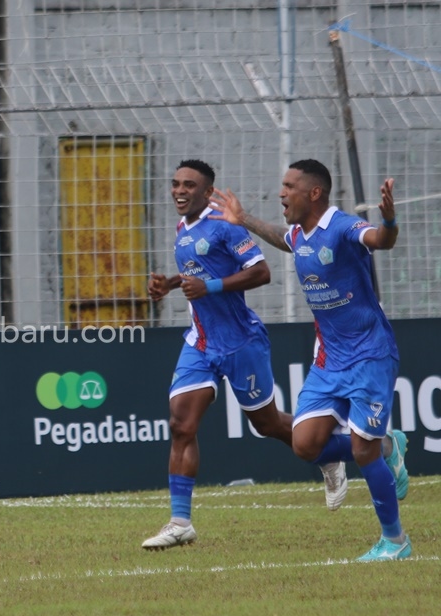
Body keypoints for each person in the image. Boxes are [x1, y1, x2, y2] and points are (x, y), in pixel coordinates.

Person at [141, 160, 346, 551]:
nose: (179, 191)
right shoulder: (182, 228)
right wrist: (170, 284)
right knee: (181, 424)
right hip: (201, 343)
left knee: (267, 424)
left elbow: (261, 271)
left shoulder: (225, 226)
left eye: (189, 185)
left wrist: (211, 286)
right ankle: (180, 522)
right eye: (175, 183)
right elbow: (196, 274)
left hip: (241, 343)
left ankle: (328, 454)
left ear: (207, 192)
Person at [210, 159, 410, 561]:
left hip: (370, 354)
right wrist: (243, 217)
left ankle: (395, 540)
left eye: (288, 186)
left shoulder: (341, 226)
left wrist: (389, 222)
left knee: (361, 449)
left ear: (313, 192)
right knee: (304, 444)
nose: (281, 192)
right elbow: (285, 240)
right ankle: (389, 444)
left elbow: (379, 240)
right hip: (329, 359)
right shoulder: (300, 234)